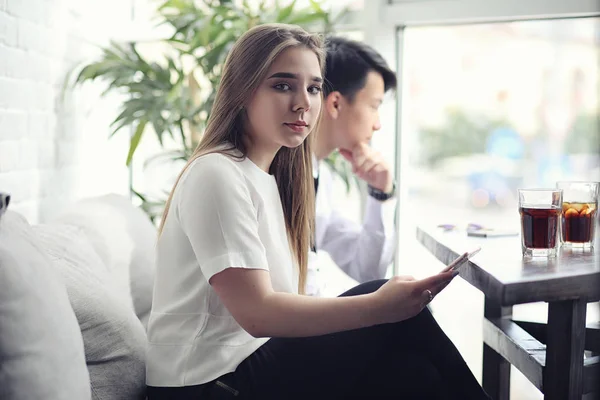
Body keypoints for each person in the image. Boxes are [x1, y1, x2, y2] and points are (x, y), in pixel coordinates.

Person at [145, 23, 490, 400]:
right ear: (242, 92)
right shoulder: (216, 172)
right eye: (282, 85)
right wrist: (378, 307)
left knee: (413, 374)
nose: (302, 103)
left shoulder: (274, 180)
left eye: (312, 88)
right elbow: (257, 314)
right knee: (383, 298)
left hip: (246, 368)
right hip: (208, 384)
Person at [307, 36, 398, 295]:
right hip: (282, 329)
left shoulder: (321, 177)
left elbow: (368, 271)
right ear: (335, 103)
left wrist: (381, 194)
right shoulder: (273, 172)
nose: (377, 124)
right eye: (374, 106)